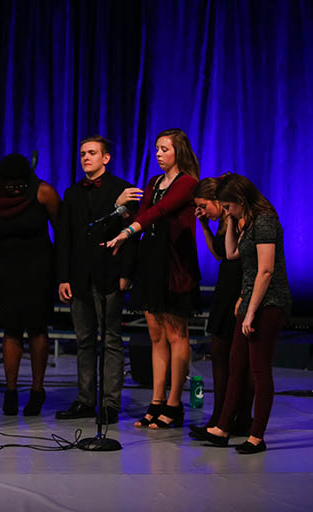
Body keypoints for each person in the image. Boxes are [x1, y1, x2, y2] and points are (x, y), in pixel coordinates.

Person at [105, 128, 201, 429]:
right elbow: (141, 217)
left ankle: (174, 403)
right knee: (156, 336)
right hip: (152, 263)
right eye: (156, 149)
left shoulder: (187, 183)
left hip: (175, 264)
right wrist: (121, 210)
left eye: (164, 149)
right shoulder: (153, 182)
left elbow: (159, 211)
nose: (158, 154)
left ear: (178, 152)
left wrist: (128, 230)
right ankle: (156, 400)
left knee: (176, 334)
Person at [202, 174, 291, 454]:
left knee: (259, 369)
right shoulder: (247, 222)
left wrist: (250, 312)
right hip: (250, 302)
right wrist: (230, 222)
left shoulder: (265, 221)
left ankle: (256, 436)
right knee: (235, 363)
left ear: (240, 200)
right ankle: (222, 427)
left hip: (269, 303)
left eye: (227, 207)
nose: (224, 212)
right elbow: (230, 254)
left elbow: (266, 271)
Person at [55, 136, 137, 425]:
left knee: (111, 339)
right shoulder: (72, 192)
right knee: (84, 340)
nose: (85, 158)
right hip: (79, 276)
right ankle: (85, 399)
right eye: (82, 154)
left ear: (106, 158)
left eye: (91, 153)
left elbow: (130, 235)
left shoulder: (121, 190)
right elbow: (64, 238)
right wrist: (63, 277)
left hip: (109, 273)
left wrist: (126, 273)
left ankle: (110, 402)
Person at [0, 153, 60, 416]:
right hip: (6, 269)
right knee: (11, 330)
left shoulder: (43, 192)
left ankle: (37, 390)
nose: (15, 187)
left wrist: (61, 273)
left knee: (37, 329)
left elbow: (60, 231)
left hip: (39, 269)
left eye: (19, 182)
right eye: (10, 182)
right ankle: (11, 390)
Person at [188, 177, 252, 439]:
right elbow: (218, 254)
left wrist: (243, 295)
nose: (201, 211)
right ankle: (221, 417)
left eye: (203, 206)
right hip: (224, 290)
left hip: (235, 290)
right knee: (221, 356)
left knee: (234, 360)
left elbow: (242, 259)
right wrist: (203, 225)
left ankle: (232, 418)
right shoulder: (223, 224)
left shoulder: (238, 221)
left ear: (219, 201)